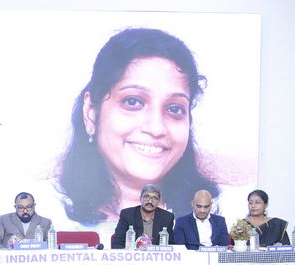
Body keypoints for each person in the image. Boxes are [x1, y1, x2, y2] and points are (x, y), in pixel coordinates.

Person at [55, 27, 220, 226]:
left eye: (174, 108)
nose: (156, 128)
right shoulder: (48, 212)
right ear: (91, 111)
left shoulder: (225, 211)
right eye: (133, 102)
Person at [110, 184, 175, 248]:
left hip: (157, 254)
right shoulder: (127, 214)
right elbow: (117, 242)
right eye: (146, 197)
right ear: (140, 198)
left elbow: (171, 244)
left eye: (155, 198)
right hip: (132, 254)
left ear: (159, 201)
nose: (150, 201)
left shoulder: (167, 217)